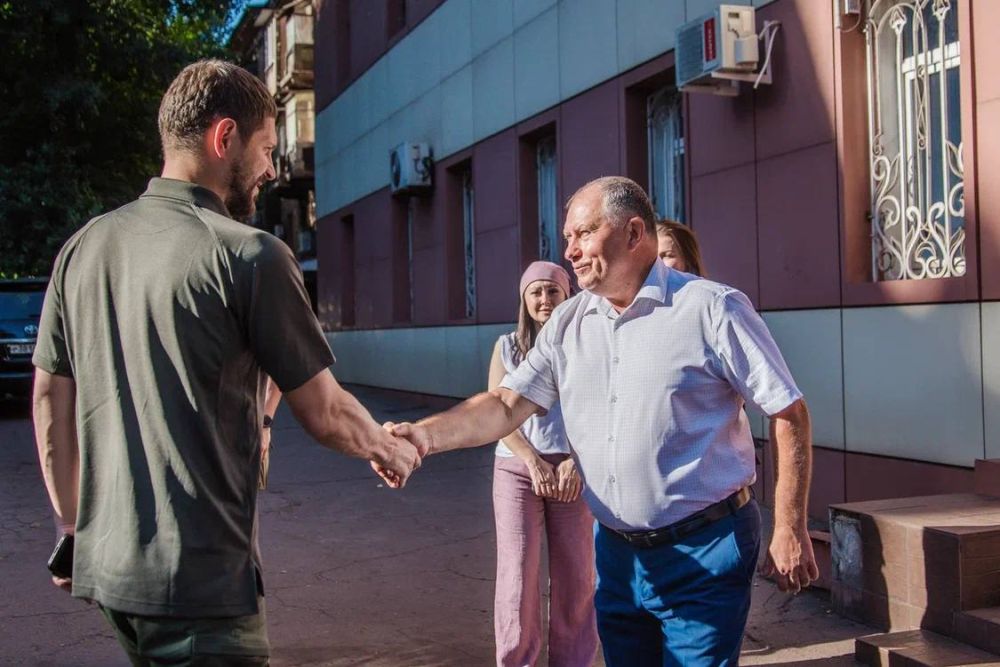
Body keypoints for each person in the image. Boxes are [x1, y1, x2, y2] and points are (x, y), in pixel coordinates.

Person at [31, 59, 420, 666]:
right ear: (223, 138)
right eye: (267, 148)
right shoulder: (251, 254)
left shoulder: (82, 248)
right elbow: (325, 411)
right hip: (201, 590)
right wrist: (388, 446)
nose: (271, 168)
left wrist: (69, 527)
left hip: (110, 575)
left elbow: (49, 402)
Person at [385, 176, 818, 666]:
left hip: (706, 547)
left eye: (583, 234)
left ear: (634, 233)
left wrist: (790, 524)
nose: (569, 251)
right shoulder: (570, 323)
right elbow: (505, 405)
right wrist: (422, 437)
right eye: (567, 237)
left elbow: (788, 412)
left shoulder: (711, 309)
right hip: (616, 555)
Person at [487, 261, 597, 667]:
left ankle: (573, 661)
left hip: (573, 472)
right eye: (536, 292)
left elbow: (602, 409)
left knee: (577, 577)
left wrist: (575, 461)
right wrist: (532, 460)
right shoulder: (506, 347)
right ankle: (516, 661)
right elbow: (497, 414)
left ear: (568, 294)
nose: (544, 299)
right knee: (517, 576)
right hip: (517, 470)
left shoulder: (587, 343)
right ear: (524, 299)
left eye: (553, 290)